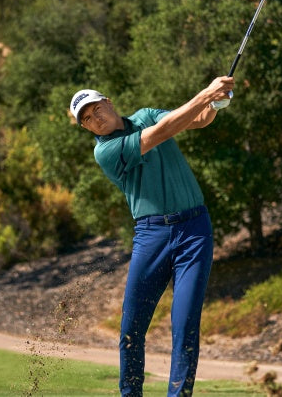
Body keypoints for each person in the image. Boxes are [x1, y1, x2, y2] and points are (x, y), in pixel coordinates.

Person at [69, 76, 235, 396]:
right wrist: (204, 93)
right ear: (86, 128)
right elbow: (162, 133)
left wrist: (214, 103)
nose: (95, 119)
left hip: (194, 232)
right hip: (152, 236)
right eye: (87, 119)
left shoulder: (145, 114)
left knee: (185, 324)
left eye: (96, 109)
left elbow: (195, 120)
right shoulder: (106, 151)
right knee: (132, 329)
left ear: (109, 102)